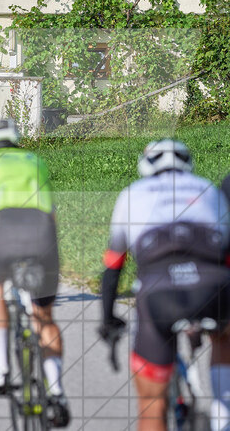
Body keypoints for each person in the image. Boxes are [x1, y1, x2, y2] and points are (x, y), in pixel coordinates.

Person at [99, 140, 230, 431]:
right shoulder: (208, 189)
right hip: (211, 284)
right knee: (224, 337)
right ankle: (225, 417)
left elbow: (113, 266)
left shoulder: (131, 194)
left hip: (159, 292)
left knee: (152, 405)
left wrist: (107, 319)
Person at [0, 119, 68, 428]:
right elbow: (51, 214)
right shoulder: (35, 160)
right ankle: (57, 391)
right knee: (44, 317)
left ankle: (1, 369)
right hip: (42, 235)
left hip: (3, 233)